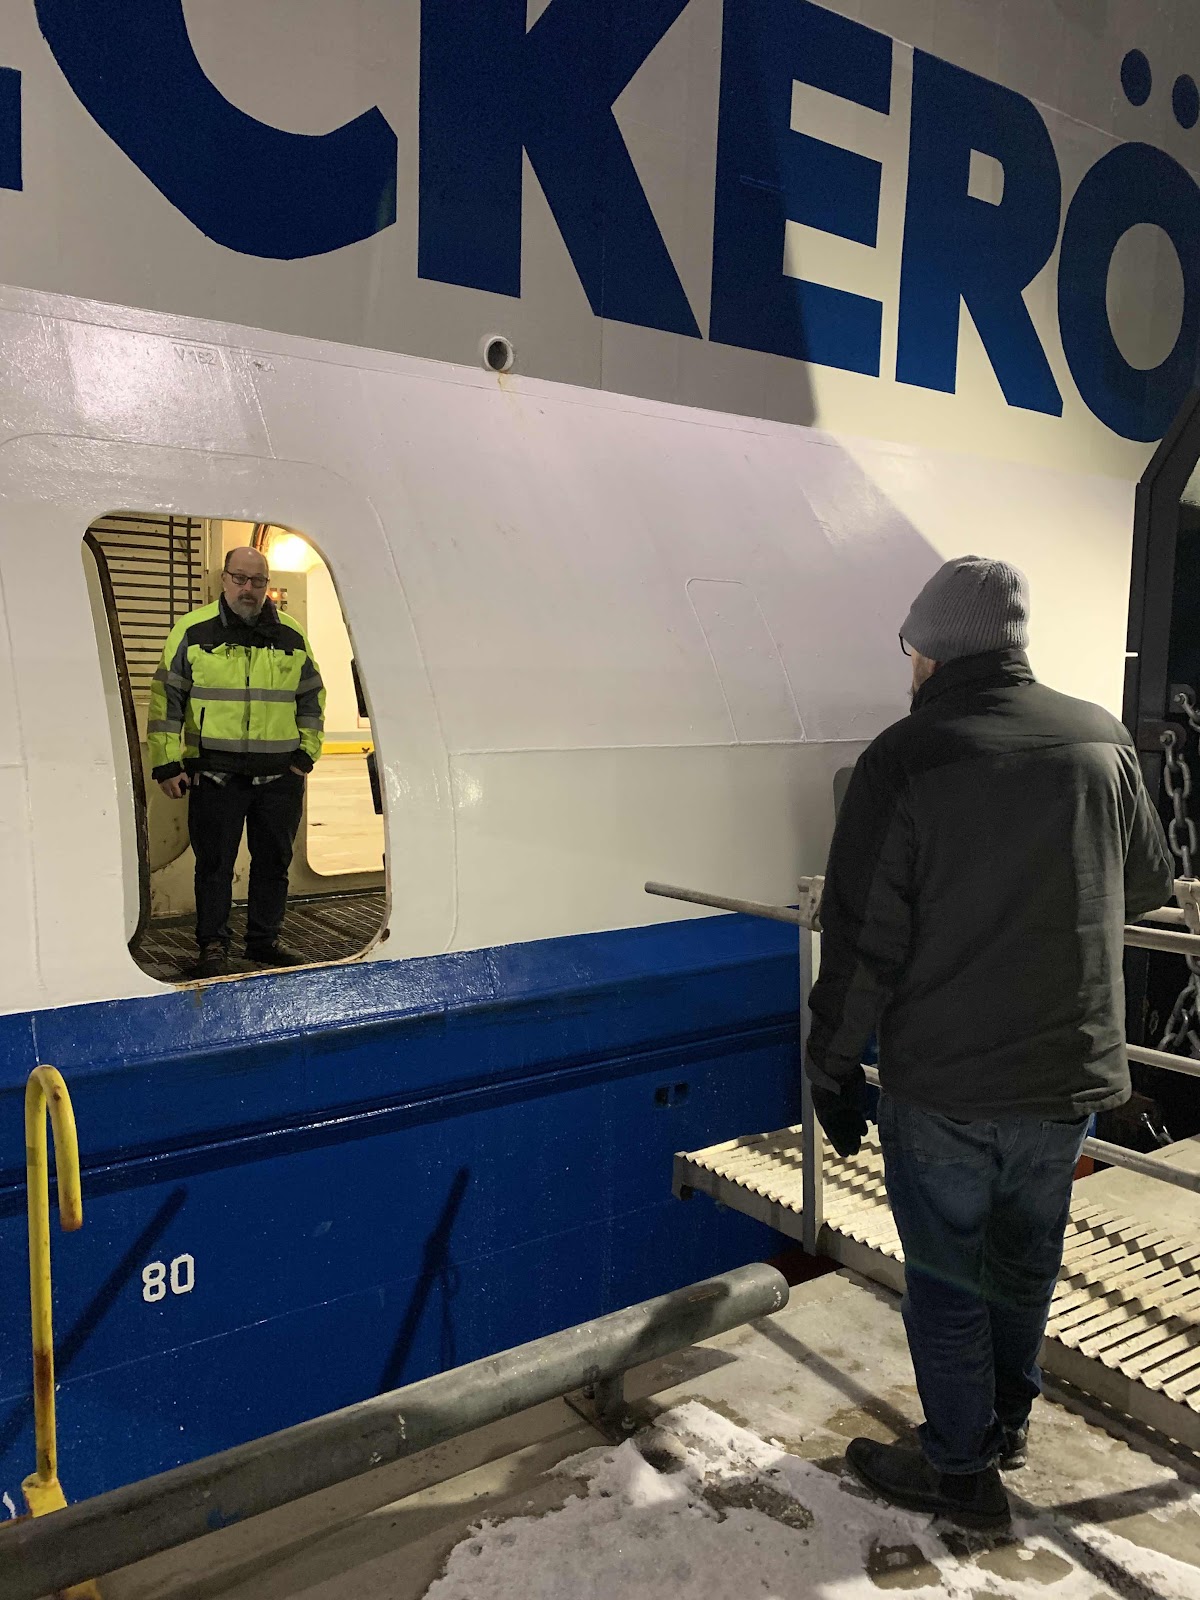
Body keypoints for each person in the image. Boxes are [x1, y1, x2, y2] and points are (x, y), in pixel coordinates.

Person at [806, 555, 1173, 1530]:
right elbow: (1146, 885)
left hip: (947, 1086)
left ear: (931, 650)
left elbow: (862, 942)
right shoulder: (1101, 738)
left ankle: (963, 1472)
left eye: (910, 648)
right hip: (1067, 1078)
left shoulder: (904, 757)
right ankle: (1006, 1424)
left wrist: (831, 1070)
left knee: (948, 1276)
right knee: (1023, 1262)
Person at [148, 547, 326, 979]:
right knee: (214, 867)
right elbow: (166, 699)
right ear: (224, 579)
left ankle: (264, 942)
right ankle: (213, 945)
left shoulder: (291, 635)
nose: (249, 588)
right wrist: (167, 764)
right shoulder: (193, 630)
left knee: (274, 864)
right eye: (240, 578)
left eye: (258, 580)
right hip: (215, 774)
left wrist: (306, 755)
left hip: (280, 776)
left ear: (267, 584)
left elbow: (311, 696)